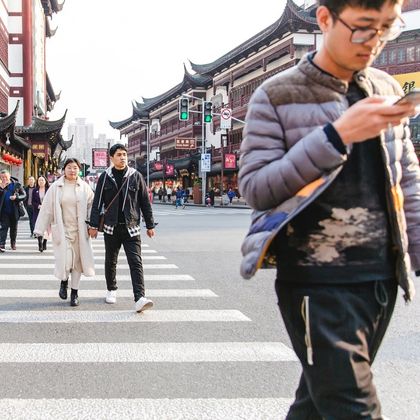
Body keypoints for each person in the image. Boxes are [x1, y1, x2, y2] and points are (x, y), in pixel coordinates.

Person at [238, 1, 420, 418]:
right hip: (315, 281)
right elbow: (256, 188)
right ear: (324, 19)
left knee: (316, 406)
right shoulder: (277, 94)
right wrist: (335, 137)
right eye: (361, 28)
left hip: (379, 278)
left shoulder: (386, 88)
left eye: (384, 30)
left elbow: (406, 181)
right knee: (352, 407)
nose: (372, 43)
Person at [89, 143, 156, 313]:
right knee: (111, 261)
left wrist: (149, 225)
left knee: (135, 261)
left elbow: (144, 202)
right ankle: (111, 289)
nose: (122, 157)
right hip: (111, 227)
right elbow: (97, 203)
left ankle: (140, 297)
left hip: (131, 227)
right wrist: (94, 225)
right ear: (111, 158)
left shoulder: (136, 176)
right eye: (119, 154)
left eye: (124, 154)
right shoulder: (104, 177)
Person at [34, 158, 95, 306]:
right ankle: (64, 281)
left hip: (80, 231)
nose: (72, 170)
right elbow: (47, 208)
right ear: (64, 170)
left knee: (78, 263)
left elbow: (92, 208)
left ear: (79, 170)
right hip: (63, 229)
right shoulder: (56, 187)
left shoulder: (85, 187)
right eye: (69, 167)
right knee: (65, 260)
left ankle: (74, 293)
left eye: (75, 168)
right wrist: (40, 229)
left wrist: (93, 226)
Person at [0, 170, 26, 252]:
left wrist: (16, 198)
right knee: (3, 228)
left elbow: (24, 195)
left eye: (5, 177)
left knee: (13, 229)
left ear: (9, 176)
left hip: (14, 211)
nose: (4, 179)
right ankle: (2, 245)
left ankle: (13, 243)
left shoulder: (16, 185)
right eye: (2, 177)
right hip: (4, 211)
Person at [32, 175, 50, 252]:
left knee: (47, 228)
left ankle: (45, 241)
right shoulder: (35, 190)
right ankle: (40, 242)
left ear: (45, 181)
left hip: (47, 211)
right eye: (39, 180)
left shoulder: (49, 190)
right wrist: (38, 206)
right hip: (38, 211)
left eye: (42, 180)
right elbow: (33, 201)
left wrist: (45, 206)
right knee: (39, 226)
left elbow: (51, 200)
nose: (41, 182)